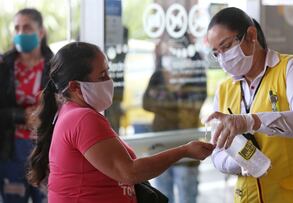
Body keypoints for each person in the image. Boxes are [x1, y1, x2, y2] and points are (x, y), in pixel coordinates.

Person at [26, 41, 214, 203]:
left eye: (107, 73)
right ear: (75, 86)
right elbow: (130, 172)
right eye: (102, 76)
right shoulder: (82, 118)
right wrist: (184, 150)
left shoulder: (71, 113)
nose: (109, 81)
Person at [205, 7, 293, 203]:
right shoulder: (224, 89)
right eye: (216, 53)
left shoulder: (291, 67)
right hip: (250, 197)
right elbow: (217, 152)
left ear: (251, 35)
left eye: (227, 46)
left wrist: (251, 121)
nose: (223, 57)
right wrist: (238, 162)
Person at [143, 33, 207, 203]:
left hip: (186, 146)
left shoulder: (195, 77)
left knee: (187, 195)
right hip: (161, 145)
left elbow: (193, 106)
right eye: (171, 49)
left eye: (178, 49)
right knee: (163, 194)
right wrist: (174, 109)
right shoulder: (159, 75)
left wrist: (164, 107)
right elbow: (146, 103)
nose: (173, 53)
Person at [0, 8, 53, 203]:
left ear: (41, 32)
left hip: (46, 150)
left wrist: (44, 115)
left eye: (27, 27)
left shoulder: (55, 66)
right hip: (11, 150)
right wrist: (21, 116)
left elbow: (67, 106)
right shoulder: (3, 66)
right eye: (17, 28)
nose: (21, 33)